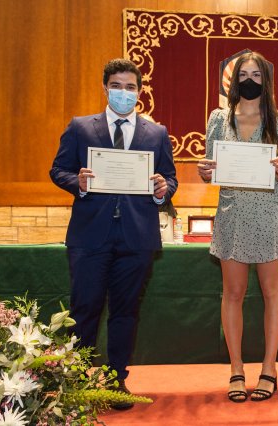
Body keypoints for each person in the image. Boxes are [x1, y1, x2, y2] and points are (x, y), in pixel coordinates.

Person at [50, 58, 178, 409]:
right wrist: (75, 182)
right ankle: (75, 381)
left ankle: (114, 379)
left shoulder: (156, 133)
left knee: (125, 310)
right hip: (90, 236)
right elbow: (57, 169)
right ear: (105, 87)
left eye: (131, 87)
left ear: (140, 90)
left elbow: (170, 178)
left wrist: (161, 188)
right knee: (85, 308)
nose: (124, 93)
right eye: (117, 86)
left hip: (137, 237)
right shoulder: (80, 128)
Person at [197, 51, 278, 402]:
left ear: (266, 82)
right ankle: (236, 368)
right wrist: (205, 172)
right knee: (232, 295)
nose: (249, 80)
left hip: (269, 214)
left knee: (272, 294)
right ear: (233, 81)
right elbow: (210, 166)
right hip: (232, 214)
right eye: (243, 74)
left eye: (257, 75)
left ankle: (269, 367)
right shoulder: (218, 118)